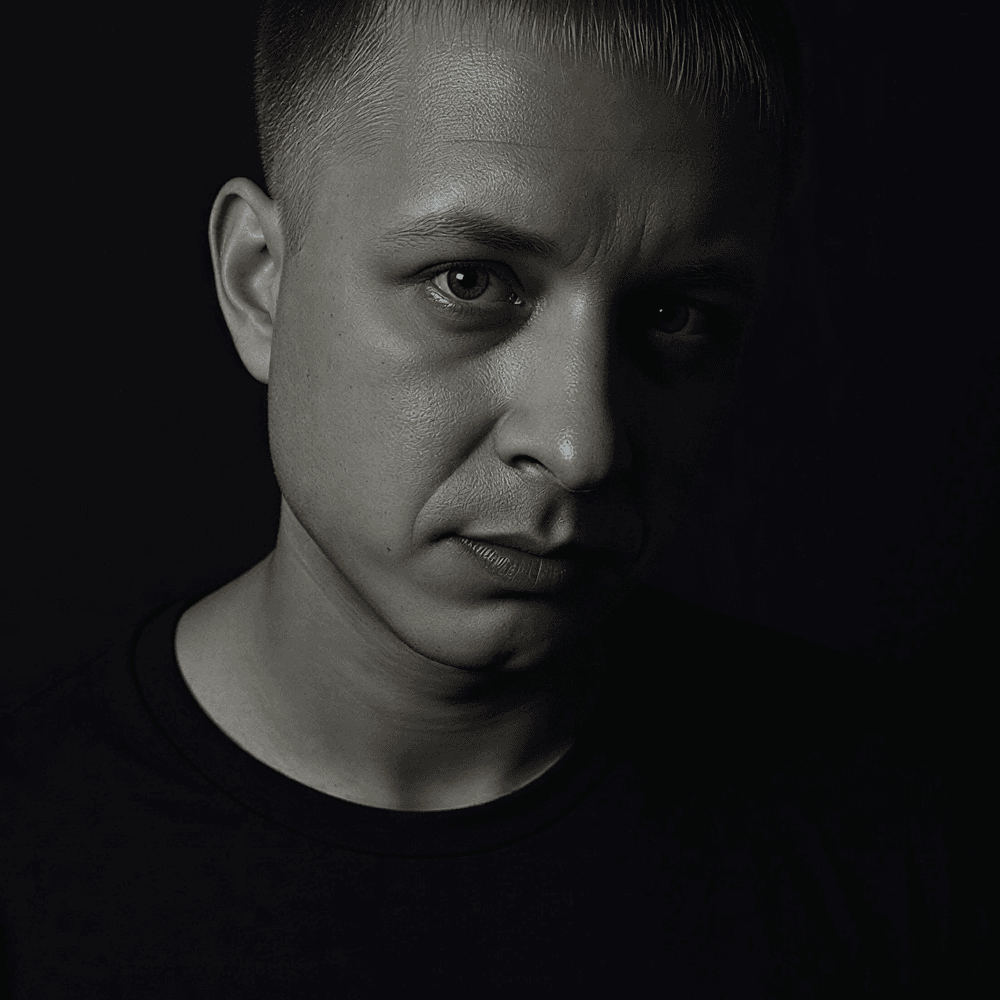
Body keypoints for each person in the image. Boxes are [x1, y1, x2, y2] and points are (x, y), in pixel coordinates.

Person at [1, 1, 985, 996]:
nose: (581, 447)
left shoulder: (905, 830)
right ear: (260, 282)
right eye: (468, 281)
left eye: (673, 314)